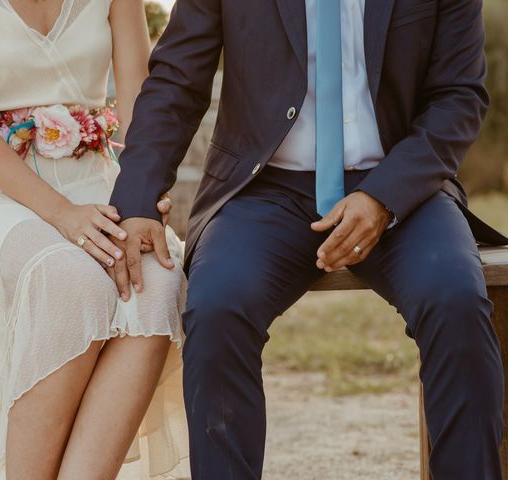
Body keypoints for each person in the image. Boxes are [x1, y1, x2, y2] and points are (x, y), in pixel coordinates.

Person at [109, 0, 508, 478]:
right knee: (217, 309)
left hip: (402, 187)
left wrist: (383, 197)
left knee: (457, 300)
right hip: (265, 188)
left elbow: (459, 97)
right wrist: (136, 202)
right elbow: (177, 82)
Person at [0, 0, 190, 479]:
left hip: (96, 187)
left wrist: (144, 194)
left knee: (158, 282)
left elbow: (136, 99)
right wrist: (62, 214)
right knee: (67, 277)